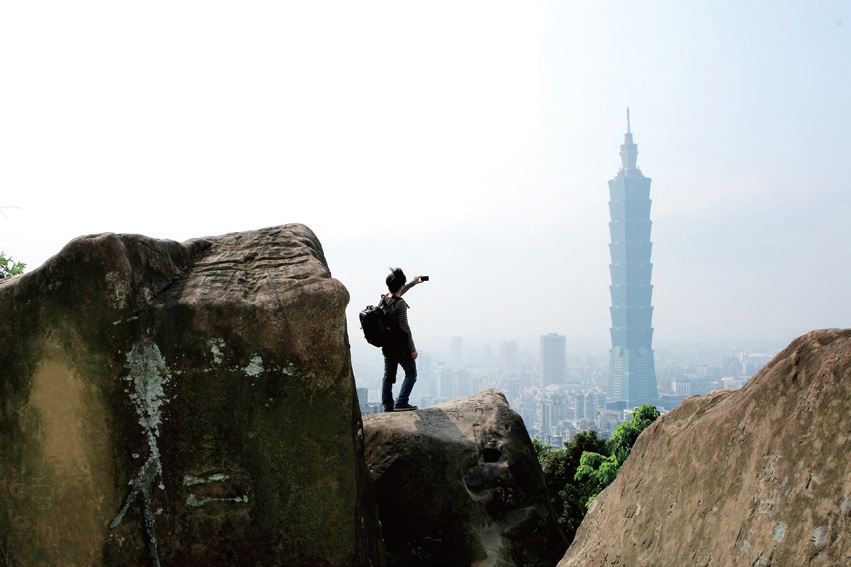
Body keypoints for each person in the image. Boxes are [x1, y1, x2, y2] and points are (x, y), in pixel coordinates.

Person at [380, 267, 427, 412]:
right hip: (400, 346)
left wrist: (413, 283)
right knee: (411, 374)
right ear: (401, 285)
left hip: (387, 345)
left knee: (388, 377)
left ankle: (388, 406)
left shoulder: (384, 299)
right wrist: (412, 349)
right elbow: (405, 328)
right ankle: (401, 402)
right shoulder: (399, 304)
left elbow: (397, 294)